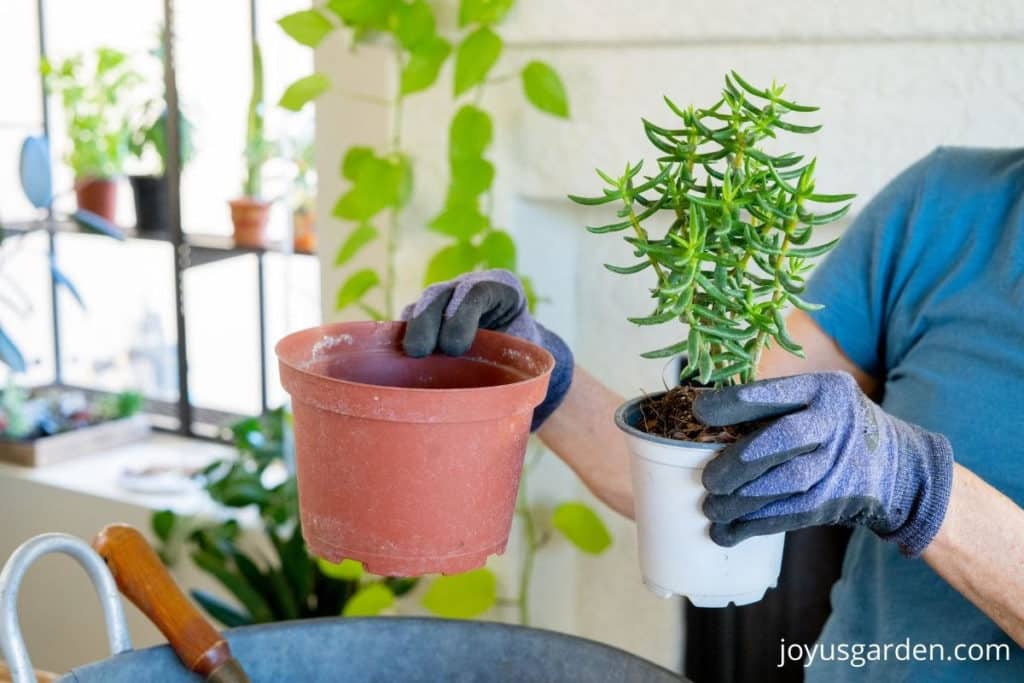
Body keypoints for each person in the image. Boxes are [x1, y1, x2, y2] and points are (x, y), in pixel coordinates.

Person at [401, 147, 1024, 680]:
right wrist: (535, 370)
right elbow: (712, 464)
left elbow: (878, 465)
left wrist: (915, 484)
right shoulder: (947, 209)